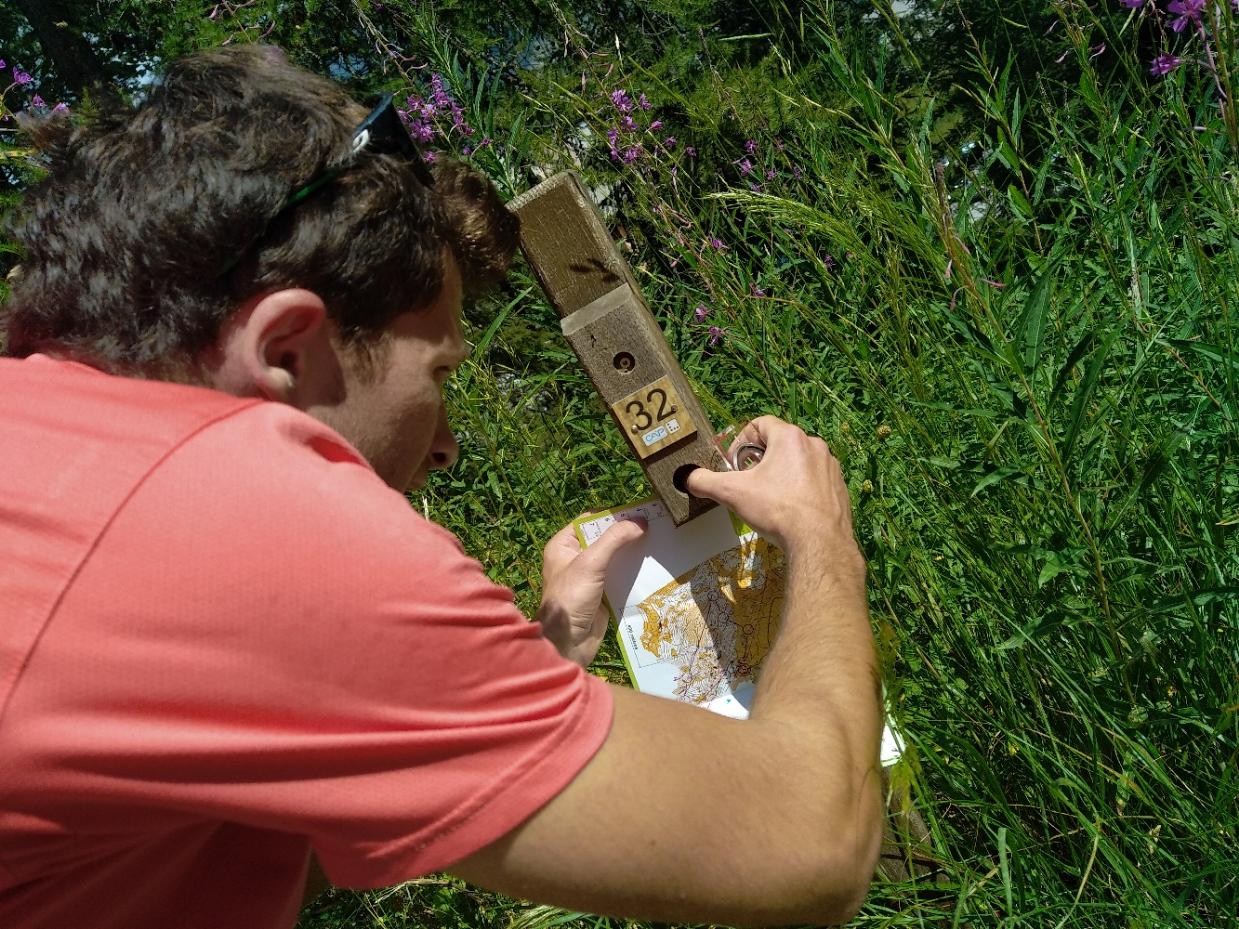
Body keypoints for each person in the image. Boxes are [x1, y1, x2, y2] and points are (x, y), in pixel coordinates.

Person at [0, 44, 883, 929]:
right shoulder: (250, 529)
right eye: (439, 375)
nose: (448, 446)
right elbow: (811, 843)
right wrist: (821, 538)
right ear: (284, 350)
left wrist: (541, 661)